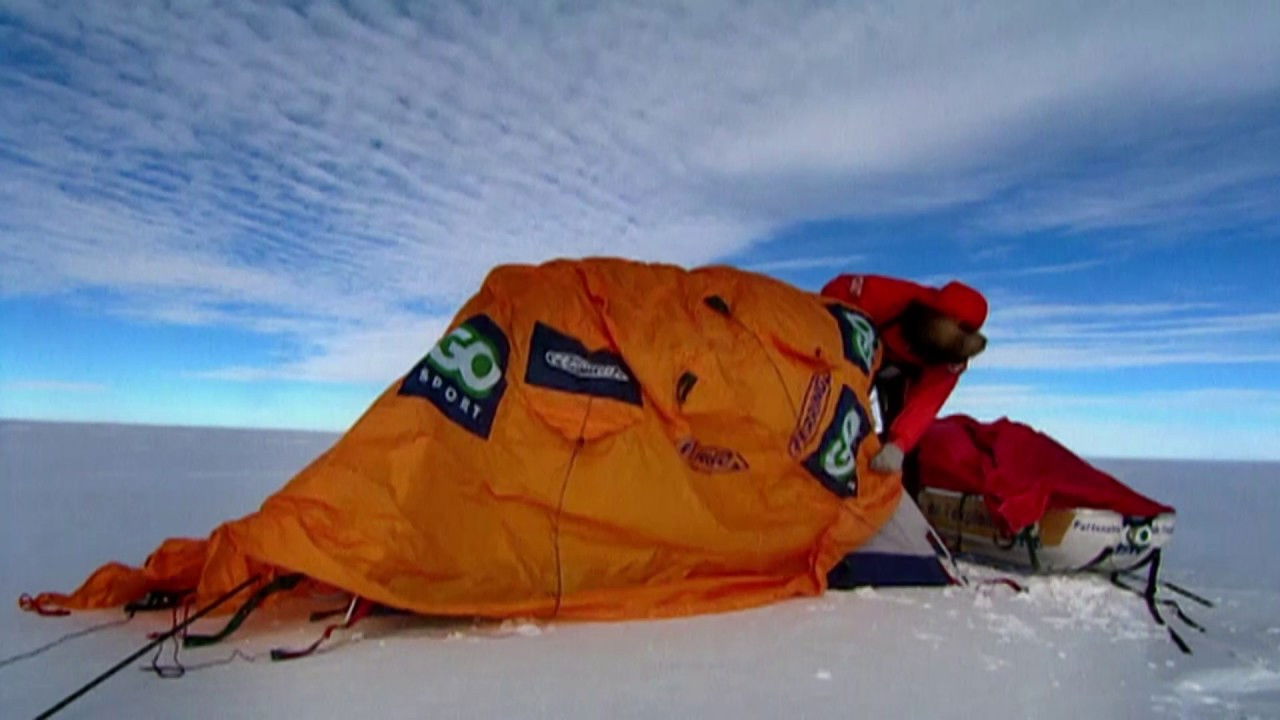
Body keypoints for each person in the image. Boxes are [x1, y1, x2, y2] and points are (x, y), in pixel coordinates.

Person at [820, 274, 988, 477]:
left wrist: (899, 444)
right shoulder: (888, 295)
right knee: (839, 405)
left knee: (905, 447)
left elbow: (925, 403)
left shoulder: (951, 359)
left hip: (903, 375)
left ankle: (894, 487)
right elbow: (833, 296)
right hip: (858, 348)